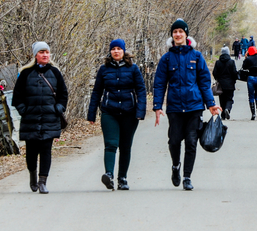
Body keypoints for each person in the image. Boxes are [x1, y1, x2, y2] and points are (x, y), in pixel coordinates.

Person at [153, 19, 221, 191]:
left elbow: (205, 82)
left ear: (186, 34)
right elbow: (160, 83)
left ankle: (187, 177)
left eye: (181, 31)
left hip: (194, 106)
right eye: (175, 32)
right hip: (175, 107)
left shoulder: (196, 57)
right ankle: (176, 166)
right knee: (174, 141)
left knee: (191, 142)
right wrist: (157, 105)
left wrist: (211, 104)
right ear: (172, 36)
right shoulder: (167, 58)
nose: (178, 34)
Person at [87, 39, 146, 191]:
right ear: (110, 52)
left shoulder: (133, 69)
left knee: (125, 147)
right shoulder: (104, 69)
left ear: (123, 51)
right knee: (111, 144)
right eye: (113, 49)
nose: (116, 51)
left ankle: (123, 178)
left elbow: (141, 90)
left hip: (129, 112)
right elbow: (97, 92)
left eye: (119, 49)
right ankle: (109, 175)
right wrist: (91, 114)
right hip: (109, 111)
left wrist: (140, 111)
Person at [12, 41, 68, 194]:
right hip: (31, 119)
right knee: (31, 151)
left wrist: (58, 108)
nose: (45, 55)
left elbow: (63, 94)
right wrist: (25, 110)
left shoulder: (55, 73)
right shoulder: (25, 73)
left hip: (50, 118)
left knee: (46, 150)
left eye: (47, 52)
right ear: (35, 55)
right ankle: (32, 175)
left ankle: (43, 181)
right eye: (41, 52)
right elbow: (17, 97)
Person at [213, 46, 238, 120]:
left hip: (221, 84)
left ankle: (223, 114)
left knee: (222, 99)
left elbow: (215, 73)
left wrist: (217, 79)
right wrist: (234, 79)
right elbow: (234, 73)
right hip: (230, 84)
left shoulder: (218, 62)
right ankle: (227, 109)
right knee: (229, 99)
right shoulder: (231, 62)